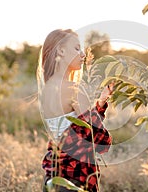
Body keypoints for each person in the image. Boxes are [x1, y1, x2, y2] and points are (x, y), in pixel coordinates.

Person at [36, 29, 113, 192]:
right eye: (77, 48)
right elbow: (101, 141)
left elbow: (74, 130)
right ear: (61, 51)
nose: (83, 54)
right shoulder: (73, 90)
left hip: (52, 178)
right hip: (76, 180)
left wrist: (100, 103)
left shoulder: (47, 89)